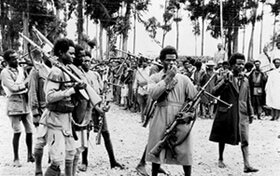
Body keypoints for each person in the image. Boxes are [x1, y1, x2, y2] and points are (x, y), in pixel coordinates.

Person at [146, 46, 197, 176]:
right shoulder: (155, 77)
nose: (171, 63)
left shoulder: (184, 79)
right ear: (161, 61)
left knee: (185, 150)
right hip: (160, 114)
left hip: (179, 117)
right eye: (168, 60)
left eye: (174, 60)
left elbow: (195, 98)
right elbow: (154, 95)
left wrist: (189, 114)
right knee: (157, 146)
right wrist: (167, 78)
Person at [40, 38, 86, 176]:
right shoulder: (56, 72)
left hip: (66, 119)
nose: (73, 56)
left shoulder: (66, 70)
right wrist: (72, 90)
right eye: (70, 53)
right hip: (55, 120)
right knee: (56, 161)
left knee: (71, 153)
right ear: (61, 53)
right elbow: (49, 97)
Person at [209, 53, 259, 173]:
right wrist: (224, 82)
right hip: (227, 111)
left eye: (242, 64)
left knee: (245, 138)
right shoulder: (225, 77)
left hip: (242, 113)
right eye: (238, 64)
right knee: (222, 136)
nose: (241, 66)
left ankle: (247, 165)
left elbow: (247, 98)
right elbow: (214, 92)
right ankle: (220, 158)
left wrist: (251, 113)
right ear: (232, 65)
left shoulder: (246, 80)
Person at [78, 50, 124, 172]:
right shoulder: (79, 75)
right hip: (86, 108)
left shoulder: (96, 75)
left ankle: (113, 161)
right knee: (85, 134)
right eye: (83, 61)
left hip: (98, 107)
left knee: (106, 133)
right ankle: (84, 161)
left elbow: (102, 91)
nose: (86, 63)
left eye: (88, 61)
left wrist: (105, 103)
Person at [1, 49, 35, 167]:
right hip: (14, 104)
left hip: (25, 103)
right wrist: (26, 81)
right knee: (17, 131)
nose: (16, 60)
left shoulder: (21, 70)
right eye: (13, 58)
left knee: (30, 130)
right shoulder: (5, 73)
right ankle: (16, 158)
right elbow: (13, 88)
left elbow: (26, 85)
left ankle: (30, 155)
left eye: (16, 57)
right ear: (7, 61)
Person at [28, 49, 51, 176]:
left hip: (53, 108)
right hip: (42, 109)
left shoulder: (51, 69)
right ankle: (38, 169)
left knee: (53, 139)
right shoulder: (35, 71)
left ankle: (52, 165)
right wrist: (35, 112)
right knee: (41, 140)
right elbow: (32, 91)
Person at [133, 57, 150, 123]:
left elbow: (151, 80)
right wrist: (134, 88)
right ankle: (142, 119)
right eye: (142, 62)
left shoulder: (149, 70)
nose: (144, 63)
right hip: (140, 89)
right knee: (142, 105)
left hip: (148, 89)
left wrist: (146, 85)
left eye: (145, 62)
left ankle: (147, 119)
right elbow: (136, 80)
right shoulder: (139, 70)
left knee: (148, 105)